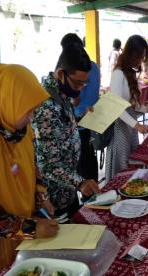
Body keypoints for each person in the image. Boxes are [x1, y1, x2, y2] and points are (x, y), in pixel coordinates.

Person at [0, 64, 59, 269]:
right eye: (29, 111)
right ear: (9, 102)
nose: (32, 117)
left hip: (25, 238)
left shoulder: (21, 132)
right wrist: (30, 228)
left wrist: (42, 197)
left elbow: (34, 170)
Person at [32, 45, 101, 220]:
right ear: (61, 74)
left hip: (67, 190)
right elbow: (47, 164)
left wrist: (79, 120)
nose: (80, 89)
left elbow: (61, 131)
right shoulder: (46, 106)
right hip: (52, 200)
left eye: (84, 83)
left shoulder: (60, 96)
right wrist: (80, 183)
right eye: (78, 83)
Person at [105, 35, 148, 180]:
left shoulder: (130, 72)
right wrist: (137, 125)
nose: (141, 60)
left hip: (130, 128)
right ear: (132, 54)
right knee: (122, 166)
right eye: (140, 56)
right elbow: (116, 107)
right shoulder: (118, 73)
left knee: (132, 165)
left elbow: (133, 103)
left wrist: (147, 108)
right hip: (121, 128)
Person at [60, 33, 100, 182]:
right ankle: (92, 190)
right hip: (92, 117)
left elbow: (75, 101)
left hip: (79, 121)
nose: (81, 86)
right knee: (89, 155)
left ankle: (88, 194)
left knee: (83, 160)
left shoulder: (77, 70)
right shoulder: (93, 66)